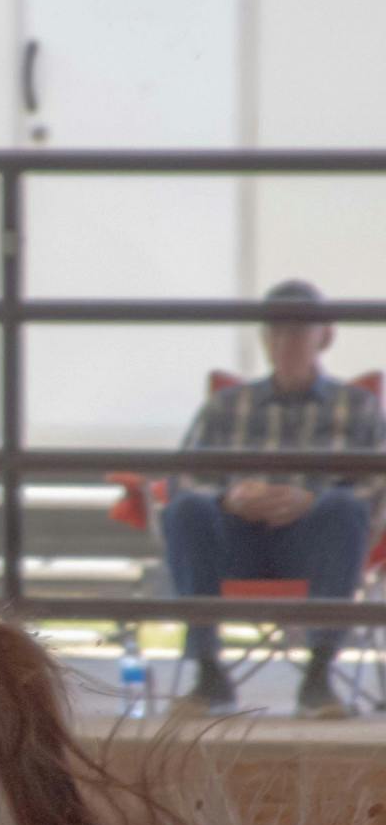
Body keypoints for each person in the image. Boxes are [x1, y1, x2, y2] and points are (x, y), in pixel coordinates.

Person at [162, 278, 383, 718]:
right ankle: (209, 672)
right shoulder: (227, 405)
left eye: (298, 330)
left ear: (325, 336)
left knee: (344, 507)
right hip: (232, 542)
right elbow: (184, 478)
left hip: (317, 547)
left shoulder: (357, 406)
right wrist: (229, 498)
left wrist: (311, 501)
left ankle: (318, 677)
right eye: (276, 330)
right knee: (187, 508)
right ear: (265, 338)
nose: (286, 341)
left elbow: (377, 484)